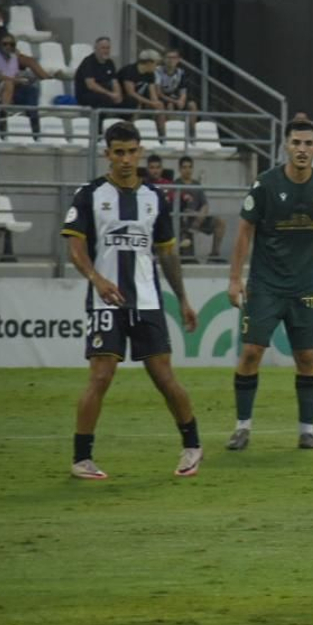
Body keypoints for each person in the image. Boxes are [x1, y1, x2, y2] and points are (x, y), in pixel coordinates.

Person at [61, 122, 204, 480]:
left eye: (131, 151)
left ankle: (192, 445)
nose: (125, 159)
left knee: (164, 377)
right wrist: (97, 279)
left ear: (139, 152)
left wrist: (184, 299)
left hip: (148, 301)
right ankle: (82, 458)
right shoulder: (90, 194)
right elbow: (75, 248)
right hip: (105, 301)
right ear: (106, 153)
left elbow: (168, 255)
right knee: (101, 376)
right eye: (118, 152)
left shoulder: (154, 196)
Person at [225, 118, 313, 451]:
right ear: (286, 145)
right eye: (296, 142)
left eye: (308, 144)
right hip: (265, 285)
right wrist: (235, 278)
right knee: (251, 353)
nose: (302, 149)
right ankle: (242, 427)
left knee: (307, 357)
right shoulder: (265, 184)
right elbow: (244, 230)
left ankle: (307, 431)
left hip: (305, 287)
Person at [0, 32, 54, 130]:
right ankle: (3, 115)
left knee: (32, 90)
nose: (8, 46)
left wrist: (24, 79)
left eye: (11, 44)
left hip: (15, 86)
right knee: (8, 84)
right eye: (5, 44)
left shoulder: (13, 57)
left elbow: (14, 74)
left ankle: (33, 120)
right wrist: (17, 80)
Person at [175, 155, 227, 263]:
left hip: (198, 217)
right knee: (188, 259)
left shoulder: (196, 184)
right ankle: (187, 256)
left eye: (190, 167)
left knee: (220, 223)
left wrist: (201, 215)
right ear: (180, 169)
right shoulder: (176, 184)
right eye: (184, 167)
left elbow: (204, 204)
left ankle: (214, 255)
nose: (187, 170)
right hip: (183, 219)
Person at [118, 49, 165, 127]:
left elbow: (153, 94)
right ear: (149, 62)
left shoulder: (151, 74)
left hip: (139, 98)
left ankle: (162, 135)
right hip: (124, 99)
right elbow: (131, 92)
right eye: (156, 64)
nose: (157, 67)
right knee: (136, 102)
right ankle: (132, 128)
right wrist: (150, 103)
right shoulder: (129, 70)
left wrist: (156, 103)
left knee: (160, 105)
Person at [74, 36, 123, 110]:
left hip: (106, 94)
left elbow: (114, 82)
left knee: (130, 100)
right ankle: (100, 121)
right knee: (105, 99)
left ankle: (122, 120)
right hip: (87, 95)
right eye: (103, 48)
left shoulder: (110, 63)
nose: (106, 50)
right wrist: (110, 94)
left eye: (108, 48)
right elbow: (91, 85)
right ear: (96, 49)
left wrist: (118, 94)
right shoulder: (88, 62)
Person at [154, 49, 198, 128]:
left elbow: (183, 90)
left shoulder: (181, 72)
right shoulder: (157, 71)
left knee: (192, 105)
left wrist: (182, 100)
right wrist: (175, 101)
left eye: (174, 58)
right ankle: (169, 133)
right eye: (168, 57)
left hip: (174, 96)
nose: (171, 60)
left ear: (178, 59)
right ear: (163, 59)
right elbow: (158, 93)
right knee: (170, 105)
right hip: (162, 97)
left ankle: (192, 134)